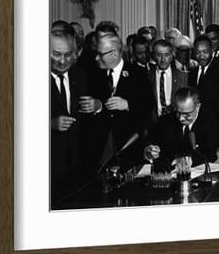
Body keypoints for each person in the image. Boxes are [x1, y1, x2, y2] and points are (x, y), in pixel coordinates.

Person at [84, 33, 154, 172]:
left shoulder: (137, 73)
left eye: (100, 54)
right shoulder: (92, 74)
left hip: (130, 146)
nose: (96, 58)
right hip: (100, 148)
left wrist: (128, 105)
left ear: (114, 53)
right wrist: (97, 106)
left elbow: (148, 105)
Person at [50, 31, 99, 203]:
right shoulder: (29, 79)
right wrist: (49, 124)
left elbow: (91, 123)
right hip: (48, 165)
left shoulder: (81, 76)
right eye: (56, 54)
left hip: (77, 164)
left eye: (67, 55)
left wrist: (96, 105)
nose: (62, 61)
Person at [143, 87, 219, 166]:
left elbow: (210, 155)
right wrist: (149, 152)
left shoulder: (208, 121)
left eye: (187, 114)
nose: (181, 118)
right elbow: (150, 144)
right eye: (178, 112)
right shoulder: (165, 121)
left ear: (198, 107)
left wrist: (188, 161)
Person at [189, 35, 219, 123]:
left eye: (205, 51)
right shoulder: (192, 73)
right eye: (197, 52)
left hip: (216, 124)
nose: (201, 56)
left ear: (212, 50)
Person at [148, 39, 188, 124]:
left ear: (171, 56)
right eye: (159, 55)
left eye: (166, 55)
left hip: (176, 124)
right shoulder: (147, 76)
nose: (163, 59)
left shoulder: (183, 77)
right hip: (153, 125)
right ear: (154, 56)